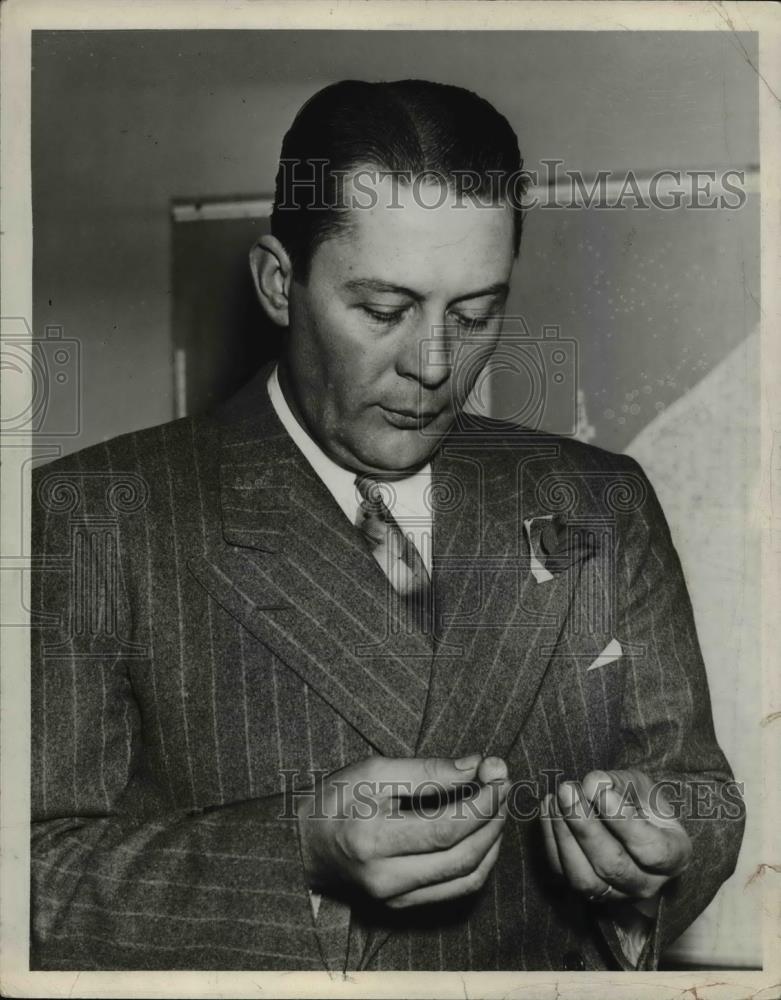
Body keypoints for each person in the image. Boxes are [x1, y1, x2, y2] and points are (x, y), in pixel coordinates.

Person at [30, 79, 744, 972]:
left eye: (477, 312)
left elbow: (702, 793)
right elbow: (32, 880)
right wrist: (298, 854)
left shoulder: (601, 499)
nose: (437, 366)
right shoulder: (96, 516)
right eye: (382, 311)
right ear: (279, 283)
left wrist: (660, 851)